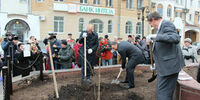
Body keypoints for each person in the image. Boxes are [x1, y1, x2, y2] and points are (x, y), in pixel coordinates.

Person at [147, 12, 185, 100]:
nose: (151, 26)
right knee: (164, 93)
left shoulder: (166, 24)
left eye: (150, 23)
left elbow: (175, 38)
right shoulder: (162, 27)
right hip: (166, 66)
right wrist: (157, 65)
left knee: (163, 93)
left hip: (169, 67)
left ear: (153, 20)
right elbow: (165, 49)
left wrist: (156, 36)